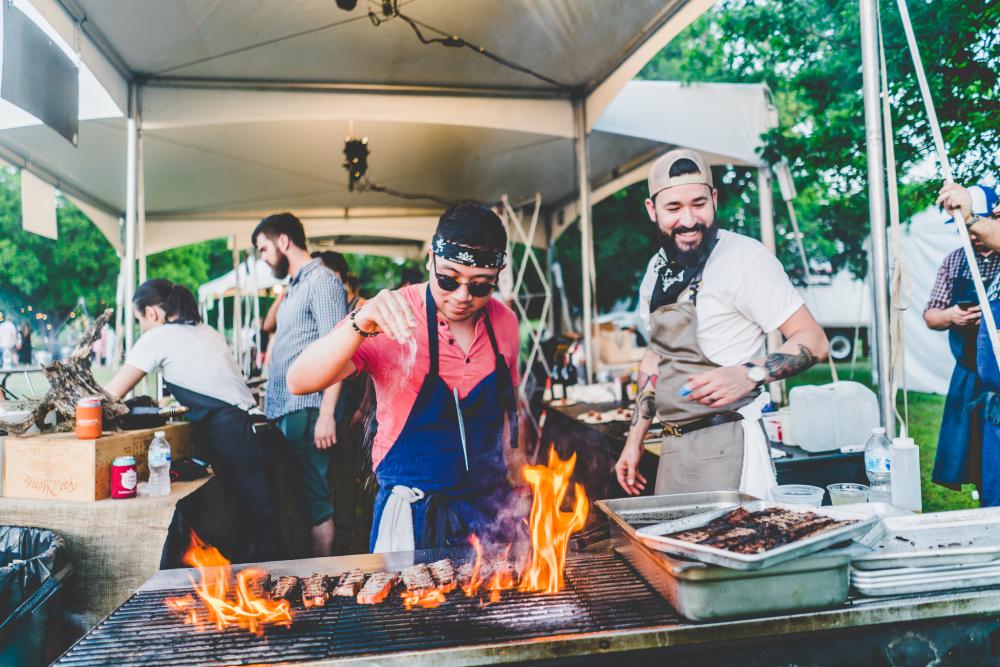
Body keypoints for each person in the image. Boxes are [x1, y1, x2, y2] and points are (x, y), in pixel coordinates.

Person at [286, 203, 522, 553]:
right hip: (414, 516)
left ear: (497, 276)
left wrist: (519, 484)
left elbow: (508, 417)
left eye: (480, 286)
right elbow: (299, 380)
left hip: (491, 512)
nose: (461, 297)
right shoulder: (391, 315)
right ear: (431, 259)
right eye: (448, 279)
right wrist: (359, 323)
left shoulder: (505, 322)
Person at [615, 149, 829, 498]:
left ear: (714, 199)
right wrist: (634, 440)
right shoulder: (656, 270)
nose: (688, 220)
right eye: (673, 208)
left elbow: (814, 340)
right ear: (652, 210)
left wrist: (750, 373)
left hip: (731, 445)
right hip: (675, 451)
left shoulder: (746, 259)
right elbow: (656, 358)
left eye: (699, 204)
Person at [104, 279, 285, 562]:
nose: (143, 329)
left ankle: (265, 590)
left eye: (141, 321)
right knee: (261, 521)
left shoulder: (159, 336)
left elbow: (111, 394)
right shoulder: (207, 330)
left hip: (233, 434)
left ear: (151, 313)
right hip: (258, 430)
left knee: (252, 524)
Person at [253, 213, 347, 557]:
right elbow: (271, 326)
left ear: (283, 241)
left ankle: (321, 580)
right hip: (285, 408)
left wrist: (327, 413)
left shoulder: (322, 280)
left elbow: (339, 350)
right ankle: (308, 576)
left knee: (315, 501)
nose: (263, 258)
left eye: (264, 249)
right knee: (298, 498)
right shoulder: (297, 284)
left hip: (307, 409)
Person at [924, 184, 1000, 491]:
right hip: (969, 371)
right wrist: (952, 316)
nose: (969, 233)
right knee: (970, 452)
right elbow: (931, 314)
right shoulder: (954, 261)